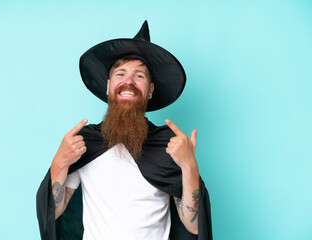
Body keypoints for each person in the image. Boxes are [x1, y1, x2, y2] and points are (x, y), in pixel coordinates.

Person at [36, 21, 212, 240]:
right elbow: (56, 210)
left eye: (139, 76)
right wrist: (60, 162)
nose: (128, 82)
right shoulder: (85, 142)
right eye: (120, 74)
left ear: (150, 90)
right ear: (108, 86)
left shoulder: (169, 145)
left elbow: (193, 226)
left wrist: (189, 167)